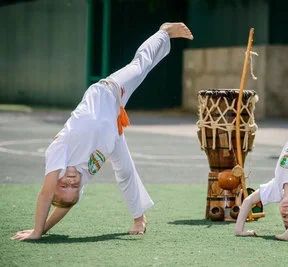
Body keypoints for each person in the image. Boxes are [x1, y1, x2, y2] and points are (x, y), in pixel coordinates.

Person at [12, 22, 193, 241]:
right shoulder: (84, 174)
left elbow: (45, 194)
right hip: (112, 129)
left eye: (64, 184)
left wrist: (38, 230)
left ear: (54, 183)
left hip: (108, 92)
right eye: (74, 186)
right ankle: (139, 218)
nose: (71, 180)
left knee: (140, 65)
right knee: (125, 171)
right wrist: (51, 221)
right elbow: (66, 204)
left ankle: (163, 31)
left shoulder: (58, 155)